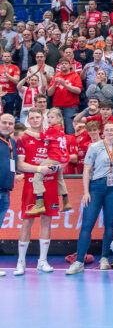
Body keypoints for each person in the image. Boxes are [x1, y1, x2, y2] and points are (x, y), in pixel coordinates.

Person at [66, 121, 113, 274]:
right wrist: (86, 191)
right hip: (96, 187)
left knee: (110, 224)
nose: (110, 132)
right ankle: (79, 261)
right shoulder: (94, 147)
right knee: (87, 224)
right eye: (107, 130)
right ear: (103, 132)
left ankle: (104, 258)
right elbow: (87, 170)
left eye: (112, 130)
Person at [13, 109, 59, 275]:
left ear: (42, 118)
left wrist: (55, 166)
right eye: (31, 118)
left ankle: (42, 261)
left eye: (37, 117)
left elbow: (61, 158)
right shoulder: (23, 139)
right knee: (26, 222)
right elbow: (20, 165)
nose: (34, 120)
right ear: (28, 120)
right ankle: (21, 263)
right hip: (31, 185)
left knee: (47, 221)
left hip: (50, 184)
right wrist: (40, 168)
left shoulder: (51, 136)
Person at [24, 108, 71, 215]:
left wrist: (27, 131)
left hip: (55, 157)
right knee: (60, 178)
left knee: (37, 175)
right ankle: (66, 201)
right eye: (48, 117)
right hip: (64, 158)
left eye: (52, 117)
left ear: (59, 118)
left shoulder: (53, 129)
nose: (49, 119)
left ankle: (39, 204)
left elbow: (39, 136)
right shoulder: (61, 129)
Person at [0, 113, 17, 277]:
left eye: (10, 123)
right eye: (4, 122)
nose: (7, 126)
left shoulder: (12, 142)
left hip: (5, 192)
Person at [47, 57, 82, 134]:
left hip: (70, 107)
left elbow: (78, 91)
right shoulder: (56, 77)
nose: (63, 65)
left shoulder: (75, 76)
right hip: (57, 107)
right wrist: (55, 84)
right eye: (62, 64)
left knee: (70, 130)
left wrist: (65, 85)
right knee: (56, 130)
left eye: (66, 63)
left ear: (70, 66)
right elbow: (49, 93)